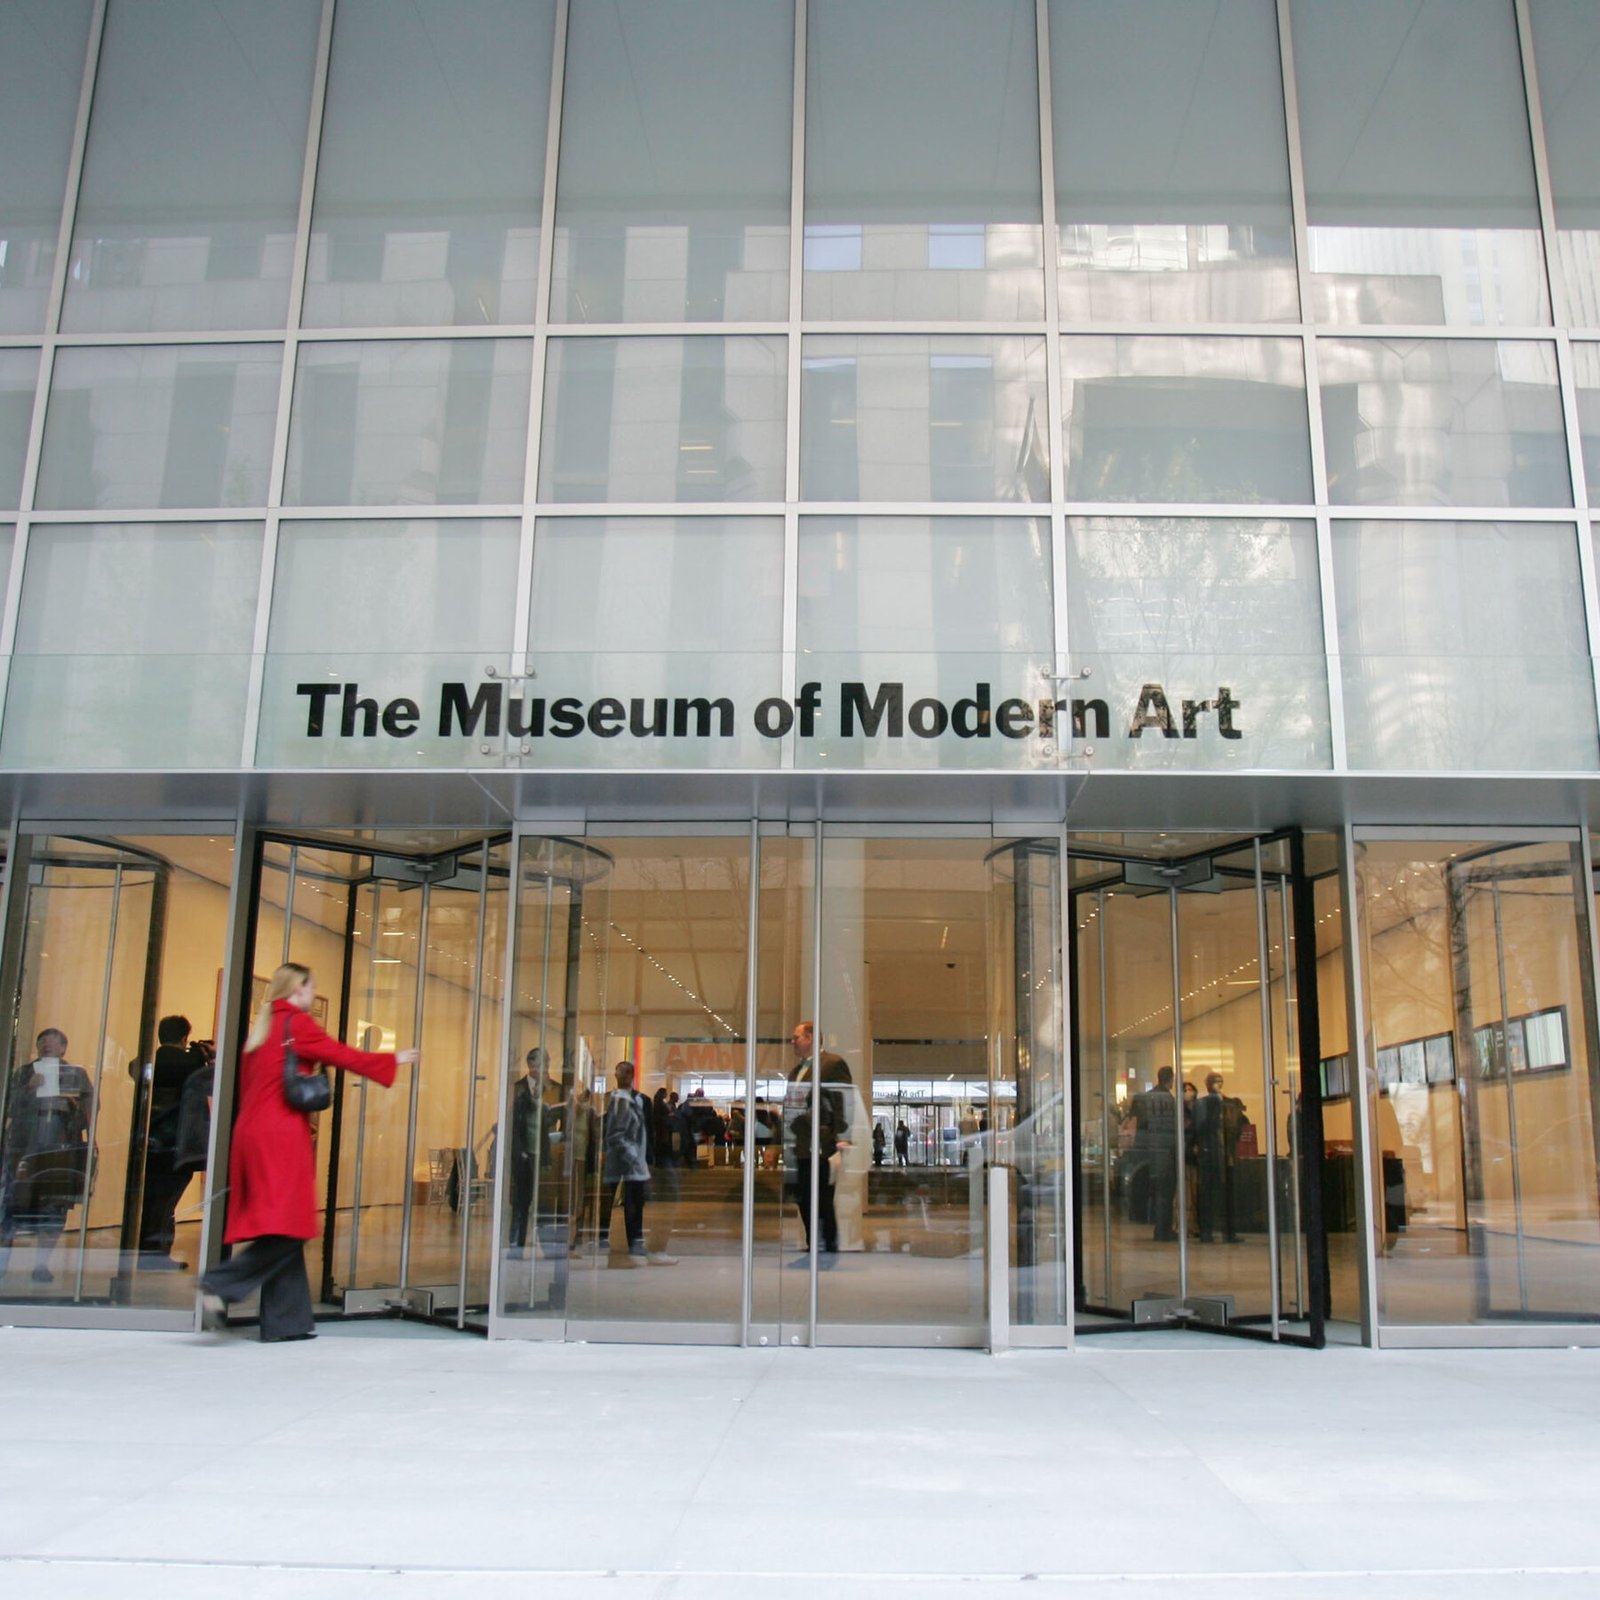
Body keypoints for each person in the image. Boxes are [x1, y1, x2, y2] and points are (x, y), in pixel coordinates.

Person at [199, 963, 416, 1342]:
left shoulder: (263, 1028)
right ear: (297, 989)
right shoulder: (296, 1024)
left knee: (283, 1222)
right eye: (311, 988)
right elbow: (340, 1054)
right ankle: (221, 1283)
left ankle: (288, 1322)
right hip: (280, 1135)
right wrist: (391, 1060)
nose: (314, 995)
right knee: (291, 1225)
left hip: (252, 1131)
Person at [1, 1029, 94, 1283]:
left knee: (53, 1209)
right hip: (22, 1150)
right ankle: (2, 1263)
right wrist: (28, 1089)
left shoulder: (75, 1074)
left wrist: (74, 1104)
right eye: (42, 1041)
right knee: (11, 1206)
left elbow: (90, 1111)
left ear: (63, 1048)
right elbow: (8, 1107)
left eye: (53, 1042)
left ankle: (41, 1264)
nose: (46, 1045)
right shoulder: (23, 1073)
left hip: (59, 1152)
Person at [131, 1015, 212, 1270]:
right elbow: (212, 1085)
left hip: (149, 1138)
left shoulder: (145, 1062)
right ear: (184, 1037)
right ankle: (156, 1253)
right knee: (167, 1200)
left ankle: (144, 1250)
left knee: (151, 1198)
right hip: (180, 1140)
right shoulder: (192, 1063)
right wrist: (206, 1056)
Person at [783, 1021, 852, 1264]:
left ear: (810, 1038)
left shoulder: (832, 1064)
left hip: (821, 1144)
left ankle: (828, 1244)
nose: (792, 1042)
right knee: (802, 1196)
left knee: (820, 1196)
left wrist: (842, 1136)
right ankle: (814, 1243)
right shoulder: (796, 1072)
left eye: (796, 1037)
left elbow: (843, 1100)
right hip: (799, 1144)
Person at [599, 1061, 671, 1267]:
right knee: (609, 1198)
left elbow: (648, 1130)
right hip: (615, 1157)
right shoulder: (610, 1099)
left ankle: (634, 1239)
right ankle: (602, 1235)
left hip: (635, 1159)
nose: (623, 1077)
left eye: (627, 1073)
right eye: (620, 1073)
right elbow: (606, 1128)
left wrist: (648, 1157)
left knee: (634, 1201)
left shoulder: (642, 1100)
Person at [1193, 1072, 1248, 1243]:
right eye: (1213, 1082)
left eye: (1219, 1081)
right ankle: (1207, 1231)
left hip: (1226, 1153)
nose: (1217, 1084)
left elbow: (1238, 1126)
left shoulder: (1230, 1103)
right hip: (1209, 1153)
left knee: (1227, 1195)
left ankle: (1228, 1232)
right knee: (1207, 1194)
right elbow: (1199, 1129)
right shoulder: (1202, 1104)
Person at [1129, 1066, 1179, 1242]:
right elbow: (1174, 1127)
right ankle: (1163, 1230)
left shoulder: (1146, 1098)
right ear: (1170, 1079)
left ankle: (1160, 1228)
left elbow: (1141, 1126)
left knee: (1157, 1192)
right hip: (1166, 1151)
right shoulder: (1169, 1100)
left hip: (1149, 1151)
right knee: (1166, 1193)